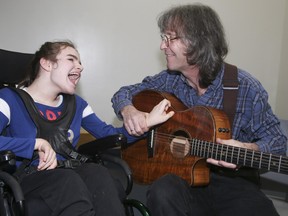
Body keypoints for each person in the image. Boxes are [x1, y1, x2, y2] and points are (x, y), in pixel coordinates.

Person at [111, 3, 287, 216]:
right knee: (163, 190)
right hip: (183, 182)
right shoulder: (170, 81)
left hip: (234, 185)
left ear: (197, 42)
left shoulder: (245, 86)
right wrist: (130, 111)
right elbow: (123, 93)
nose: (161, 46)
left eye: (169, 38)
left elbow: (278, 143)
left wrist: (248, 148)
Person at [0, 40, 174, 216]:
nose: (80, 67)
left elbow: (110, 135)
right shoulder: (9, 99)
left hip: (69, 172)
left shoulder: (77, 104)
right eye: (71, 59)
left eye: (80, 62)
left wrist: (146, 123)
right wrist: (35, 144)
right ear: (46, 63)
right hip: (29, 178)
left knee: (97, 173)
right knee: (68, 180)